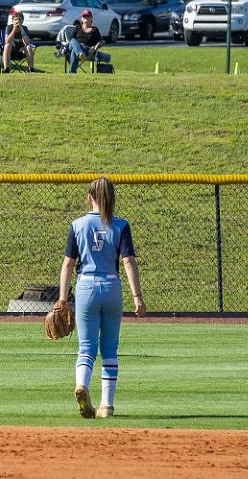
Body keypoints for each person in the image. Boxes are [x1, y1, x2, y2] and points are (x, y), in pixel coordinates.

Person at [56, 177, 146, 419]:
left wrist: (62, 298)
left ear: (89, 197)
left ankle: (81, 385)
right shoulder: (121, 225)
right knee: (109, 348)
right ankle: (106, 405)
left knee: (86, 347)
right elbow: (128, 261)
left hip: (85, 287)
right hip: (111, 288)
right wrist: (137, 296)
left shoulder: (77, 225)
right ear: (112, 198)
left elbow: (68, 264)